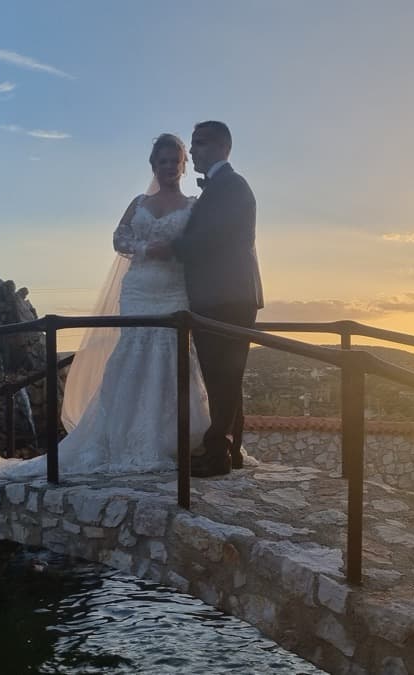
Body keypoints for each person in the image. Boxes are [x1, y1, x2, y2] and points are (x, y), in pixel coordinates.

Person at [0, 134, 209, 480]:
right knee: (132, 353)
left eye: (174, 161)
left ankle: (173, 435)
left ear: (183, 165)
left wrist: (173, 249)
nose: (168, 167)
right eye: (161, 161)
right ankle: (124, 434)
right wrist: (146, 249)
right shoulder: (139, 201)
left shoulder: (193, 205)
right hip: (139, 288)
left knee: (170, 354)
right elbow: (119, 237)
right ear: (153, 165)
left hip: (174, 289)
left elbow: (199, 244)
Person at [147, 121, 264, 477]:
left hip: (226, 297)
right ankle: (229, 450)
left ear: (217, 146)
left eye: (197, 144)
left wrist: (171, 248)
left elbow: (212, 238)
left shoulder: (231, 186)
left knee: (223, 376)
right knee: (225, 377)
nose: (192, 151)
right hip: (224, 295)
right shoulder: (222, 187)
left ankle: (217, 456)